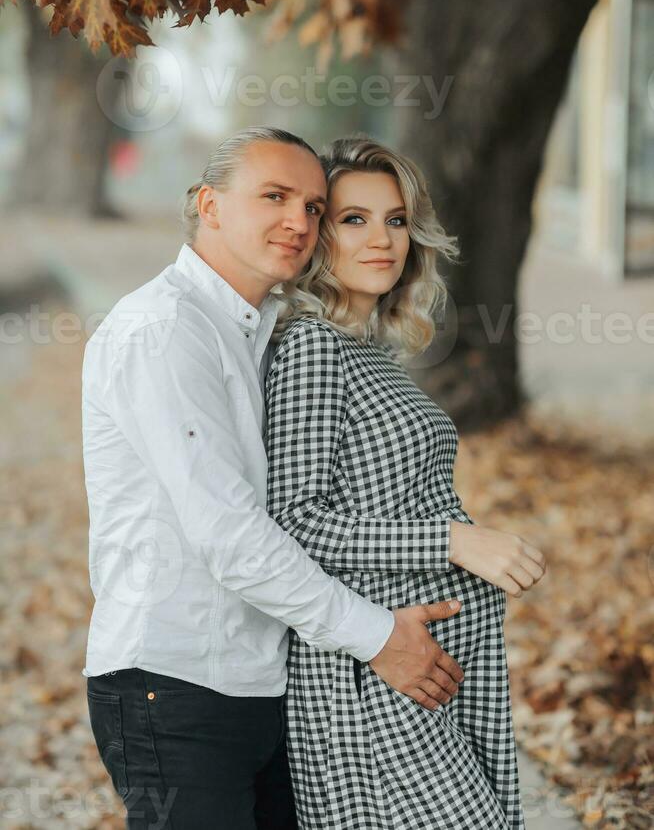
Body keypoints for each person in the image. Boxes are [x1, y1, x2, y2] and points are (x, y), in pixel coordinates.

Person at [81, 127, 467, 830]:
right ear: (211, 206)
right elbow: (230, 537)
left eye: (315, 207)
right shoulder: (165, 330)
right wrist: (378, 636)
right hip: (173, 685)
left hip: (265, 682)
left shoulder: (260, 329)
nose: (299, 221)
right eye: (275, 197)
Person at [265, 134, 547, 830]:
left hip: (433, 664)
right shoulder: (310, 347)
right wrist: (454, 541)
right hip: (370, 676)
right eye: (354, 219)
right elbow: (295, 519)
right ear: (319, 234)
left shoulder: (374, 352)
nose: (382, 238)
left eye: (395, 219)